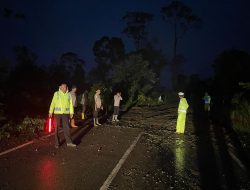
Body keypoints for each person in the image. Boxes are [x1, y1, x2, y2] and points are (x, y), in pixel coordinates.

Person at [49, 83, 76, 148]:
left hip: (66, 114)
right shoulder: (56, 93)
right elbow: (53, 103)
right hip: (57, 113)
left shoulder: (69, 94)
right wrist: (50, 111)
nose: (64, 88)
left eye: (65, 87)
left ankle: (69, 142)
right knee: (56, 128)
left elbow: (70, 104)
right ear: (60, 87)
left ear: (67, 88)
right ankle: (57, 143)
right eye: (63, 87)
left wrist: (71, 112)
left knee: (67, 128)